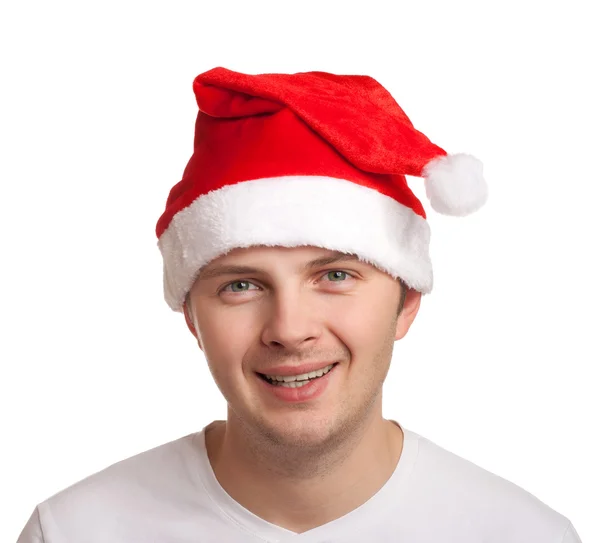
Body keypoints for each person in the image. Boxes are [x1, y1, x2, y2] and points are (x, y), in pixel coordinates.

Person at [17, 67, 582, 542]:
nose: (289, 330)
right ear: (191, 316)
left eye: (335, 275)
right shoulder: (75, 531)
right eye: (241, 285)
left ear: (407, 302)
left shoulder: (523, 534)